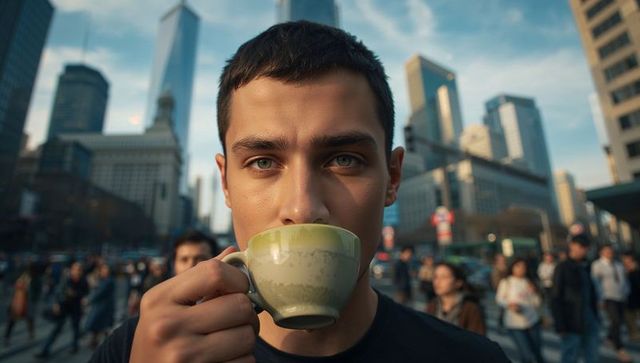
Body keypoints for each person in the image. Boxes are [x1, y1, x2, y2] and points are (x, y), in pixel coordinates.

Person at [89, 21, 509, 362]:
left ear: (392, 178)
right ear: (225, 183)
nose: (302, 207)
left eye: (344, 159)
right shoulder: (139, 348)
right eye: (263, 162)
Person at [551, 234, 600, 363]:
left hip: (590, 318)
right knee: (570, 356)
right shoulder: (562, 267)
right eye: (581, 246)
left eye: (586, 247)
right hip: (571, 320)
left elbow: (591, 293)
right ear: (572, 245)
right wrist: (560, 324)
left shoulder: (586, 266)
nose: (583, 250)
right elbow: (556, 297)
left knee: (593, 355)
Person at [35, 261, 89, 358]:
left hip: (76, 307)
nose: (76, 272)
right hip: (64, 306)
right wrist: (56, 303)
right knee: (56, 328)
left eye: (79, 270)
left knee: (75, 328)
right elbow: (59, 291)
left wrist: (76, 294)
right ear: (72, 270)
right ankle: (45, 349)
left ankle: (74, 346)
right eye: (75, 269)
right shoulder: (66, 279)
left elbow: (85, 293)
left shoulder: (83, 281)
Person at [496, 258, 544, 363]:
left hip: (532, 321)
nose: (521, 269)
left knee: (537, 352)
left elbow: (537, 303)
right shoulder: (506, 282)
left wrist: (534, 292)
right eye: (518, 266)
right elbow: (499, 299)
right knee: (526, 355)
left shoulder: (529, 282)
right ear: (512, 267)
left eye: (523, 267)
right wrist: (509, 305)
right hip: (514, 324)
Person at [591, 244, 631, 362]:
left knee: (619, 320)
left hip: (621, 297)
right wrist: (599, 299)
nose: (609, 253)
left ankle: (609, 337)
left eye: (611, 251)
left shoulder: (618, 264)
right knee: (616, 320)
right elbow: (595, 283)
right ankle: (619, 348)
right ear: (601, 252)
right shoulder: (597, 265)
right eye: (607, 251)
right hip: (608, 297)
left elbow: (624, 280)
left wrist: (626, 291)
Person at [427, 262, 486, 335]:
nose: (437, 282)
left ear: (458, 283)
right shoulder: (432, 305)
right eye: (435, 277)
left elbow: (478, 341)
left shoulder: (471, 308)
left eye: (444, 277)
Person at [85, 264, 116, 349]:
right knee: (99, 326)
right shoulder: (104, 280)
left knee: (100, 325)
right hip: (101, 307)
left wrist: (89, 300)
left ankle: (101, 344)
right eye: (102, 269)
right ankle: (96, 342)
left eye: (105, 269)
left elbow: (99, 293)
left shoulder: (108, 281)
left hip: (104, 308)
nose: (103, 271)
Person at [4, 267, 35, 346]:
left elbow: (32, 293)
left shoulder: (30, 281)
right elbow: (11, 293)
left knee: (29, 319)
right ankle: (7, 338)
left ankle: (31, 334)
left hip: (25, 304)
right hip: (17, 304)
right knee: (12, 321)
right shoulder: (18, 281)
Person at [622, 252, 640, 341]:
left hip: (636, 297)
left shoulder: (636, 271)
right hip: (627, 298)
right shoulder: (622, 270)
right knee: (629, 318)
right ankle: (633, 334)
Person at [537, 252, 556, 324]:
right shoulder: (542, 266)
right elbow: (542, 276)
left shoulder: (554, 265)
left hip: (554, 286)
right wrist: (549, 276)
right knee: (547, 301)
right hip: (546, 286)